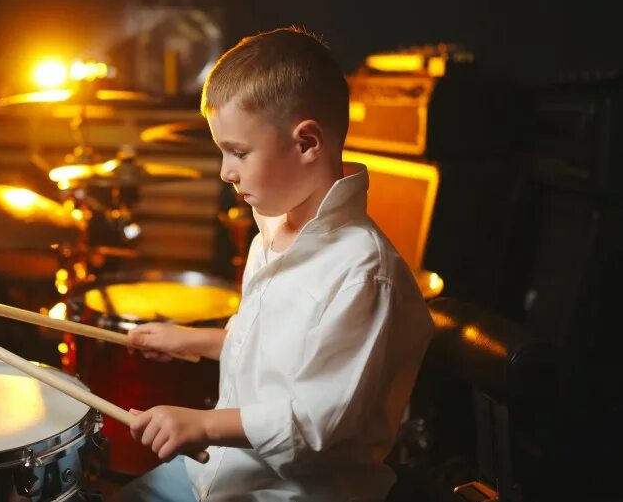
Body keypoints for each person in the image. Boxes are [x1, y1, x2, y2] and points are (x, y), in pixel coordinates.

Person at [114, 27, 435, 501]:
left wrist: (203, 423)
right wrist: (195, 340)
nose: (226, 172)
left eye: (238, 152)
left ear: (307, 143)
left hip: (289, 493)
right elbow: (272, 352)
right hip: (223, 475)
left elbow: (314, 422)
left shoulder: (363, 274)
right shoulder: (271, 229)